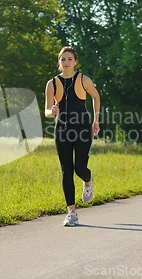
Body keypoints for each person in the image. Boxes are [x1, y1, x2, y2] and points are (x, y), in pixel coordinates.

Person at [44, 46, 100, 226]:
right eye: (63, 59)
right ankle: (72, 213)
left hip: (83, 127)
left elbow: (96, 97)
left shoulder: (83, 80)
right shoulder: (52, 83)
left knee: (80, 168)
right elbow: (46, 110)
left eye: (69, 59)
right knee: (66, 170)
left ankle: (88, 180)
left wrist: (96, 120)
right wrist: (51, 111)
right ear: (59, 63)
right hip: (62, 129)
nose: (66, 62)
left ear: (75, 62)